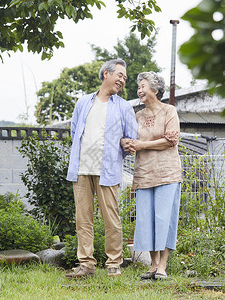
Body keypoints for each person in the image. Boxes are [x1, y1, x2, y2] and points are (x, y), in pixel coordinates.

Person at [65, 59, 138, 278]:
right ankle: (86, 265)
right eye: (120, 75)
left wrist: (117, 154)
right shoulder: (83, 102)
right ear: (106, 74)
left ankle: (114, 263)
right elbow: (74, 131)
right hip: (81, 168)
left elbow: (131, 139)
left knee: (111, 219)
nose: (123, 80)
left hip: (108, 170)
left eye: (125, 78)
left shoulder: (124, 106)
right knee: (83, 218)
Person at [123, 71, 182, 280]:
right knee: (146, 220)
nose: (139, 90)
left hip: (167, 173)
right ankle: (153, 265)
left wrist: (142, 145)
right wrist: (126, 143)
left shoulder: (169, 111)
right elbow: (128, 138)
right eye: (138, 87)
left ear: (155, 90)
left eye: (143, 86)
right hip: (144, 174)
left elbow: (170, 140)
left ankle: (163, 266)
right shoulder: (137, 116)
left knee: (164, 219)